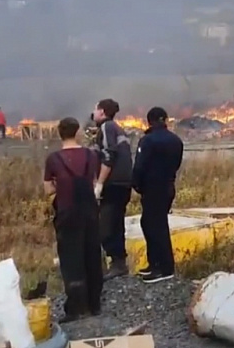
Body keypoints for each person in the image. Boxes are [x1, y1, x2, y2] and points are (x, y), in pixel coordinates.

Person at [42, 117, 103, 321]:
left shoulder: (53, 159)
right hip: (90, 212)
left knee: (71, 259)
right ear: (77, 132)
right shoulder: (90, 155)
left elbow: (48, 189)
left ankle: (77, 307)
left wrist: (60, 186)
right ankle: (94, 304)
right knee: (92, 255)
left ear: (60, 134)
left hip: (67, 213)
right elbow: (93, 180)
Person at [132, 107, 184, 284]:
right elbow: (176, 164)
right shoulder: (176, 140)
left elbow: (139, 166)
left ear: (149, 121)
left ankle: (163, 268)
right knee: (153, 223)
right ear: (166, 120)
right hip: (168, 187)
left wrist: (136, 185)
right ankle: (155, 264)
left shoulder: (147, 141)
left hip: (152, 189)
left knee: (155, 226)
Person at [92, 98, 134, 280]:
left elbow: (108, 156)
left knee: (106, 227)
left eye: (95, 110)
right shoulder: (116, 128)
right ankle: (119, 264)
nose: (93, 113)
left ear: (102, 111)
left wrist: (99, 184)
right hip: (123, 184)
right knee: (116, 224)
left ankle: (115, 263)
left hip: (113, 184)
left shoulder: (106, 127)